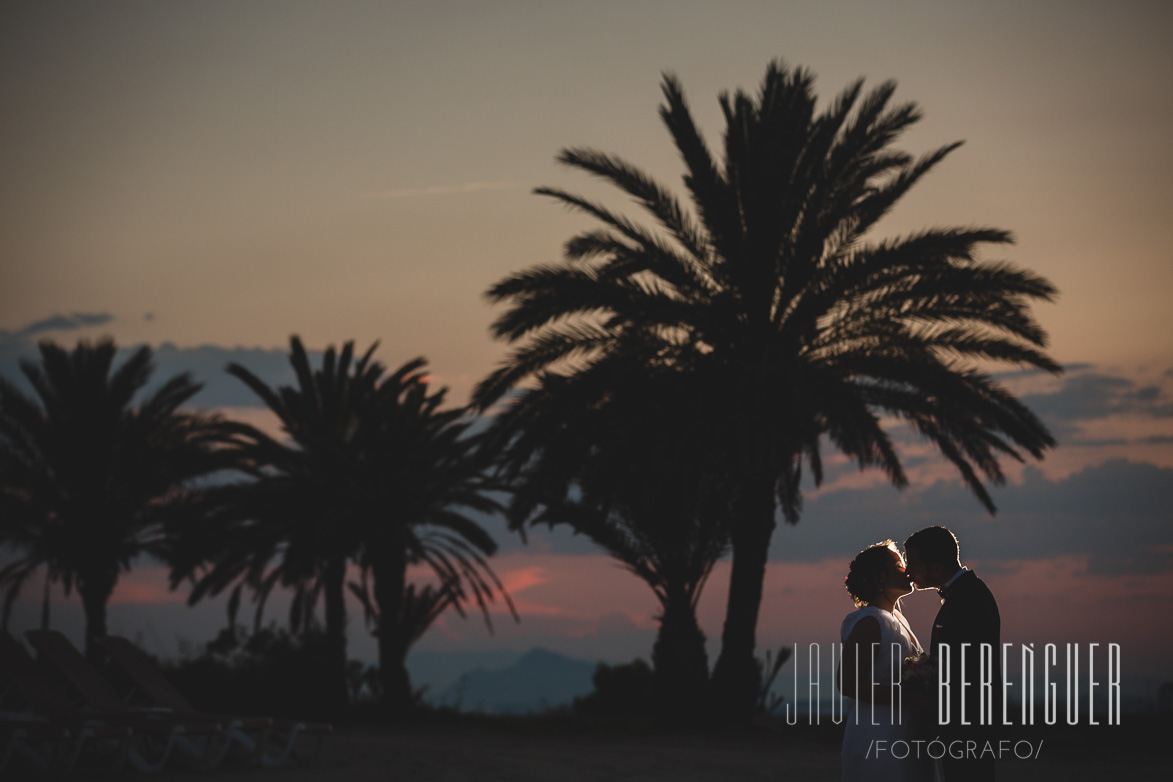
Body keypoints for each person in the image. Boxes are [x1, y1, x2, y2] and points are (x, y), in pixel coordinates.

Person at [903, 526, 1000, 782]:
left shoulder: (971, 598)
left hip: (968, 728)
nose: (907, 570)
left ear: (936, 568)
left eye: (912, 562)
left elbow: (967, 668)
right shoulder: (964, 594)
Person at [839, 540, 933, 782]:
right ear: (880, 576)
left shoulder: (897, 619)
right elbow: (847, 684)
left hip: (903, 730)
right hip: (876, 732)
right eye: (900, 566)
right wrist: (911, 696)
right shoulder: (871, 622)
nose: (908, 571)